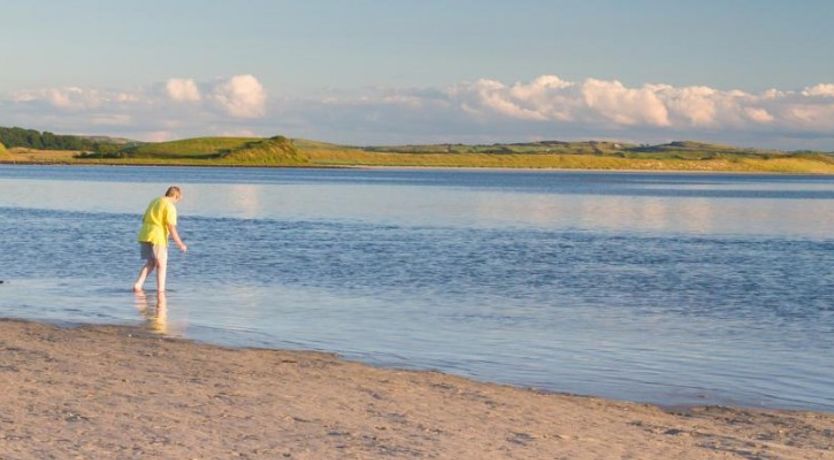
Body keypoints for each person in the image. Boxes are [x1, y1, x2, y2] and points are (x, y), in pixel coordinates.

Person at [133, 186, 187, 293]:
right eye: (178, 200)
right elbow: (171, 227)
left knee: (151, 263)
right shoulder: (169, 206)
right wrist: (180, 244)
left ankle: (138, 285)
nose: (177, 202)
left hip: (145, 234)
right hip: (157, 237)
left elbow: (144, 218)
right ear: (175, 196)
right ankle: (161, 291)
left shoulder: (155, 201)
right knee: (162, 265)